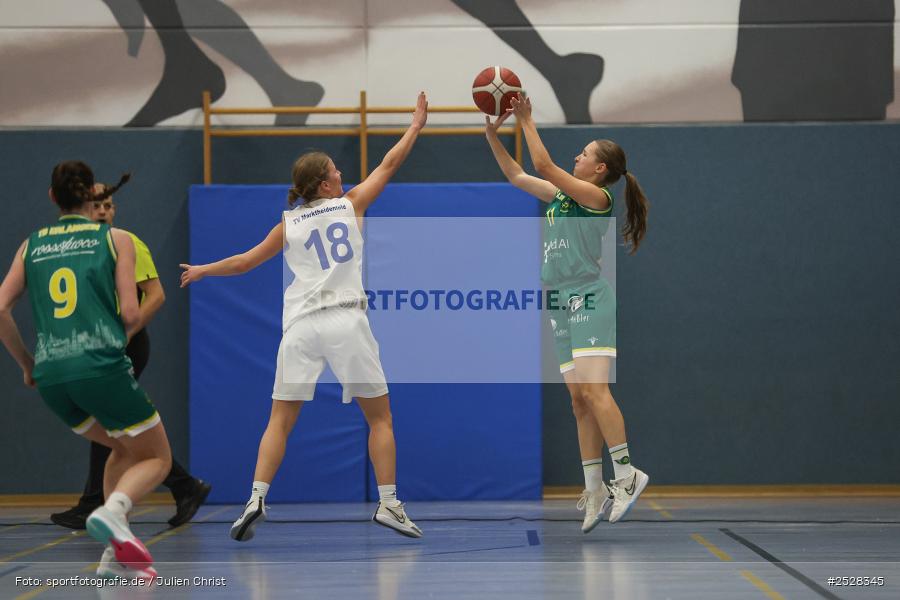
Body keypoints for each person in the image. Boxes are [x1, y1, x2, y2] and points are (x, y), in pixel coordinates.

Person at [180, 92, 429, 541]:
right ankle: (390, 504)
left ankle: (255, 498)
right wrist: (414, 126)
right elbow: (389, 165)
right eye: (335, 168)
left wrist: (203, 270)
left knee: (279, 420)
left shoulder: (288, 224)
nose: (341, 171)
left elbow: (244, 263)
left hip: (300, 328)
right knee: (380, 419)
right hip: (345, 321)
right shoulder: (351, 204)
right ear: (325, 184)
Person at [484, 93, 650, 532]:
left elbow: (542, 164)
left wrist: (527, 120)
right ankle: (594, 487)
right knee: (578, 402)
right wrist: (490, 135)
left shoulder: (596, 197)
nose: (577, 156)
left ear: (600, 170)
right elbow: (518, 174)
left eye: (585, 153)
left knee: (596, 392)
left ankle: (628, 474)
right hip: (558, 299)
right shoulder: (561, 196)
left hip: (589, 297)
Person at [0, 161, 171, 580]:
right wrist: (117, 337)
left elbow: (1, 307)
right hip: (99, 364)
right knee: (156, 458)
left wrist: (27, 363)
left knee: (122, 448)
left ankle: (111, 559)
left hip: (53, 377)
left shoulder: (30, 244)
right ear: (91, 198)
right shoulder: (117, 239)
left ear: (52, 197)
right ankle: (114, 511)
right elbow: (131, 311)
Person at [49, 184, 211, 531]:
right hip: (94, 347)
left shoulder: (127, 242)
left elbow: (156, 295)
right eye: (97, 205)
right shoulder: (79, 248)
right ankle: (183, 486)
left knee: (113, 424)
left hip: (125, 344)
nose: (104, 210)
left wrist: (125, 335)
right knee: (113, 426)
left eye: (108, 205)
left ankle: (97, 501)